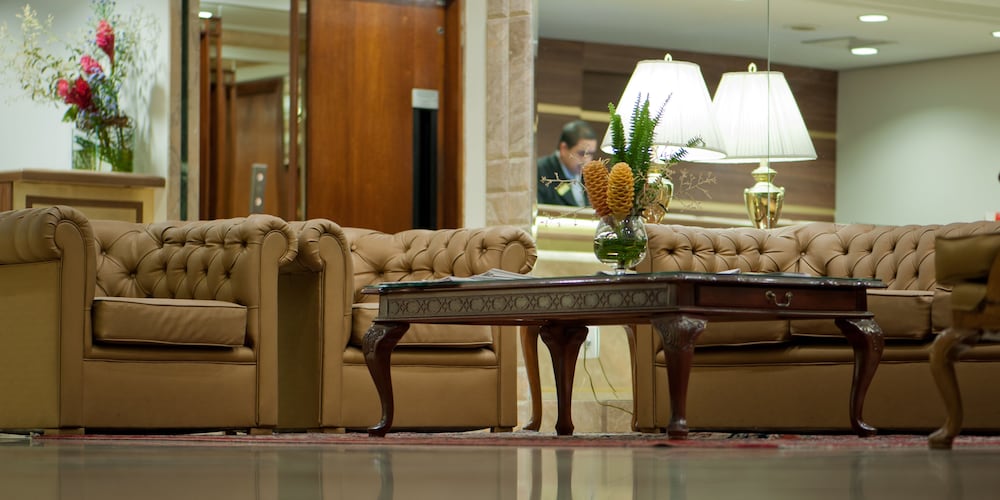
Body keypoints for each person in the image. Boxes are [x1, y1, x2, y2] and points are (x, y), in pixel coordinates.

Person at [537, 120, 597, 207]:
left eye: (590, 154)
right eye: (581, 153)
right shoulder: (539, 171)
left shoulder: (591, 176)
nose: (586, 161)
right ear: (563, 148)